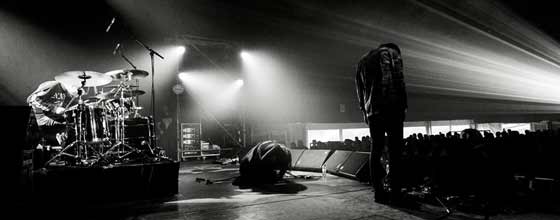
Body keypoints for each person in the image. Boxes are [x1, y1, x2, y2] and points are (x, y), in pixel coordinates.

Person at [356, 43, 408, 205]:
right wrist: (403, 106)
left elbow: (359, 89)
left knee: (376, 149)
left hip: (373, 110)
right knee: (395, 151)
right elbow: (399, 81)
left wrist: (365, 111)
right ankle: (396, 193)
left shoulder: (363, 61)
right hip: (392, 108)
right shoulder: (392, 54)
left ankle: (378, 192)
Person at [27, 80, 77, 166]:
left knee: (73, 128)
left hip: (51, 118)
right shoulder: (53, 85)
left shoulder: (66, 92)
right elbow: (33, 99)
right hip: (40, 117)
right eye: (74, 86)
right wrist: (54, 109)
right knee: (69, 131)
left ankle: (70, 162)